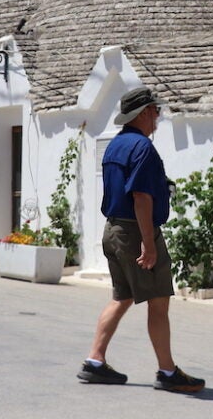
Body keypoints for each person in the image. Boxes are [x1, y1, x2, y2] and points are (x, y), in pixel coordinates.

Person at [77, 86, 205, 393]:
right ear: (145, 113)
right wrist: (148, 243)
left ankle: (94, 362)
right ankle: (167, 372)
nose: (158, 118)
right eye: (156, 112)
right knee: (159, 302)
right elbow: (141, 198)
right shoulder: (143, 148)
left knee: (122, 297)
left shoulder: (114, 146)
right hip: (136, 231)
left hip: (114, 230)